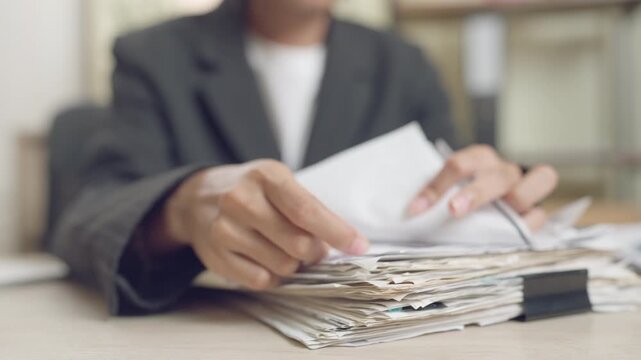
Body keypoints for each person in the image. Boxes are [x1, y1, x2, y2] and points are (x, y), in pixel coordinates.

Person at [51, 0, 558, 315]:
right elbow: (85, 216)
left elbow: (453, 180)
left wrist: (495, 199)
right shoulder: (152, 57)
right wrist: (179, 209)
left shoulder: (404, 64)